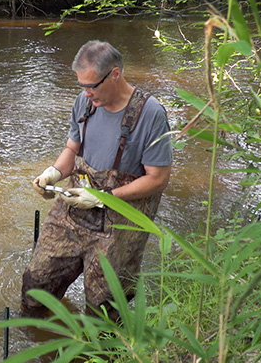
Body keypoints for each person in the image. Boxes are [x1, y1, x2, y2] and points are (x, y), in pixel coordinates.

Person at [21, 40, 172, 321]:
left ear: (115, 74)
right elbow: (71, 149)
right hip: (73, 212)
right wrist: (53, 173)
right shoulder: (85, 102)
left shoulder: (150, 114)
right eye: (81, 86)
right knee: (36, 287)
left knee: (105, 312)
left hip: (120, 225)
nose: (86, 93)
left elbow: (158, 179)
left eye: (91, 86)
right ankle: (36, 336)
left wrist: (104, 198)